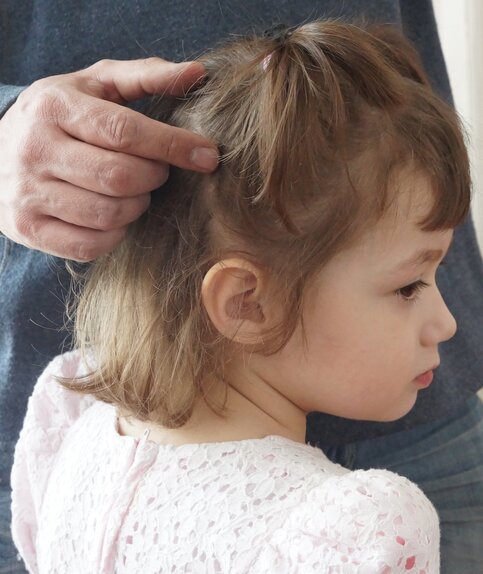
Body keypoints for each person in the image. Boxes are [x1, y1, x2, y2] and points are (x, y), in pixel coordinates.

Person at [0, 1, 482, 573]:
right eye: (408, 287)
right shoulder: (363, 532)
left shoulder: (71, 419)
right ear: (247, 303)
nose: (446, 323)